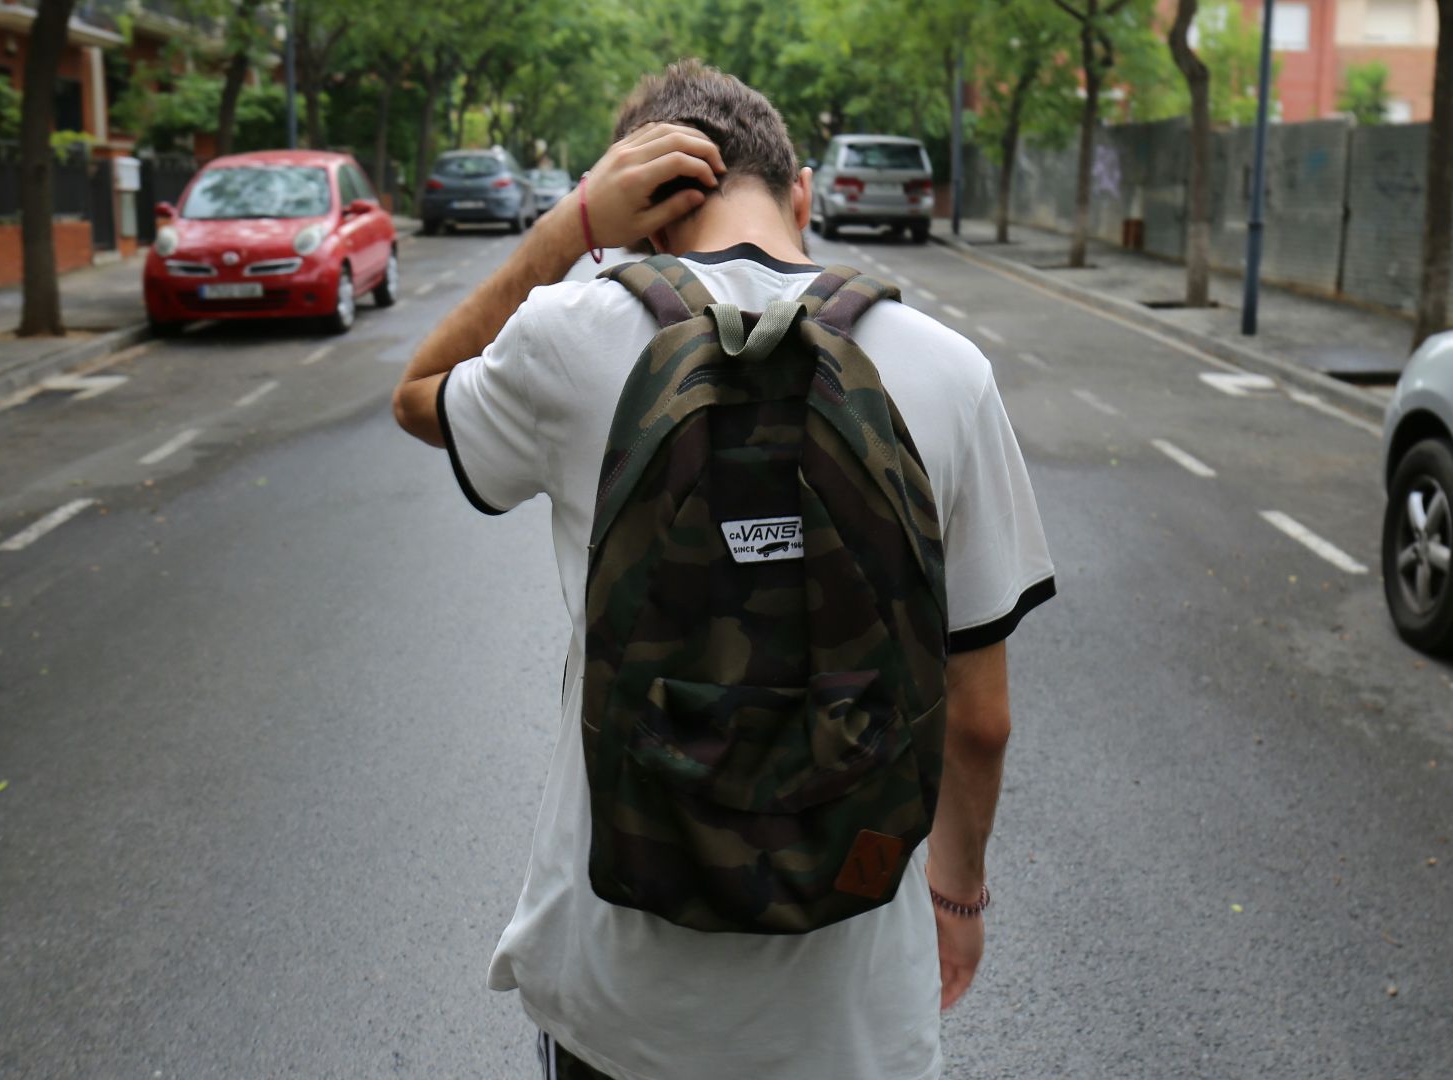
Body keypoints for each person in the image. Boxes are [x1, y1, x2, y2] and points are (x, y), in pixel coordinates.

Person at [392, 59, 1054, 1080]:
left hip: (622, 1009)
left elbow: (418, 390)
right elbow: (979, 717)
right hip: (852, 1022)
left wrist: (572, 225)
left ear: (646, 212)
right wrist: (958, 899)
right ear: (801, 194)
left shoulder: (573, 340)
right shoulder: (947, 371)